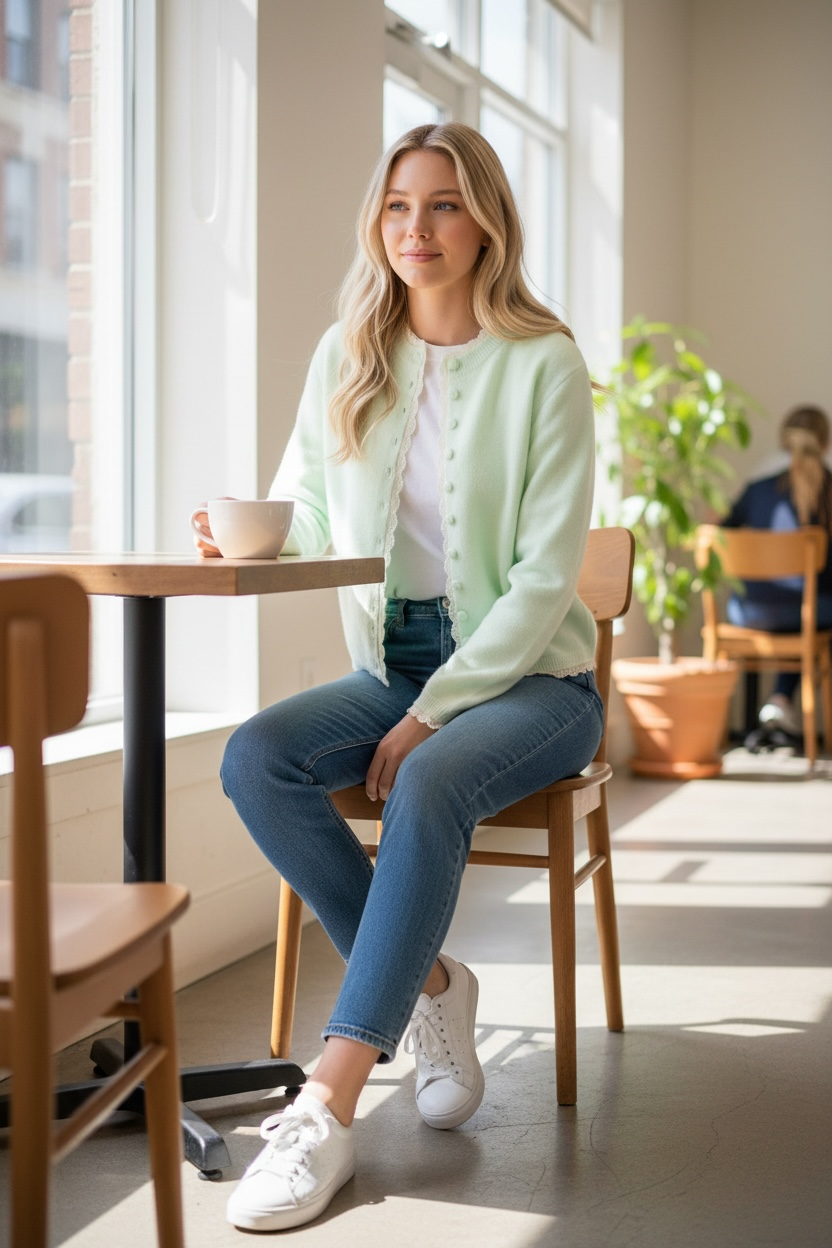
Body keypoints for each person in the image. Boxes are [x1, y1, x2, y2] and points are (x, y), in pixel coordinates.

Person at [192, 122, 603, 1233]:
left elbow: (540, 579)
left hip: (538, 685)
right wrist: (251, 539)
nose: (414, 229)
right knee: (256, 759)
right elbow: (313, 514)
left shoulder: (545, 362)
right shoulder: (350, 352)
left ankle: (326, 1104)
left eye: (443, 205)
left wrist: (434, 714)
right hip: (391, 667)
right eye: (396, 206)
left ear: (485, 226)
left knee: (425, 783)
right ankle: (428, 986)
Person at [722, 404, 832, 743]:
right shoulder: (829, 491)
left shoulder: (756, 488)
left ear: (784, 441)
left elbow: (723, 532)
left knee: (795, 609)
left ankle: (776, 705)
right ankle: (782, 701)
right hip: (810, 612)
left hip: (749, 612)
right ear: (824, 443)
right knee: (809, 612)